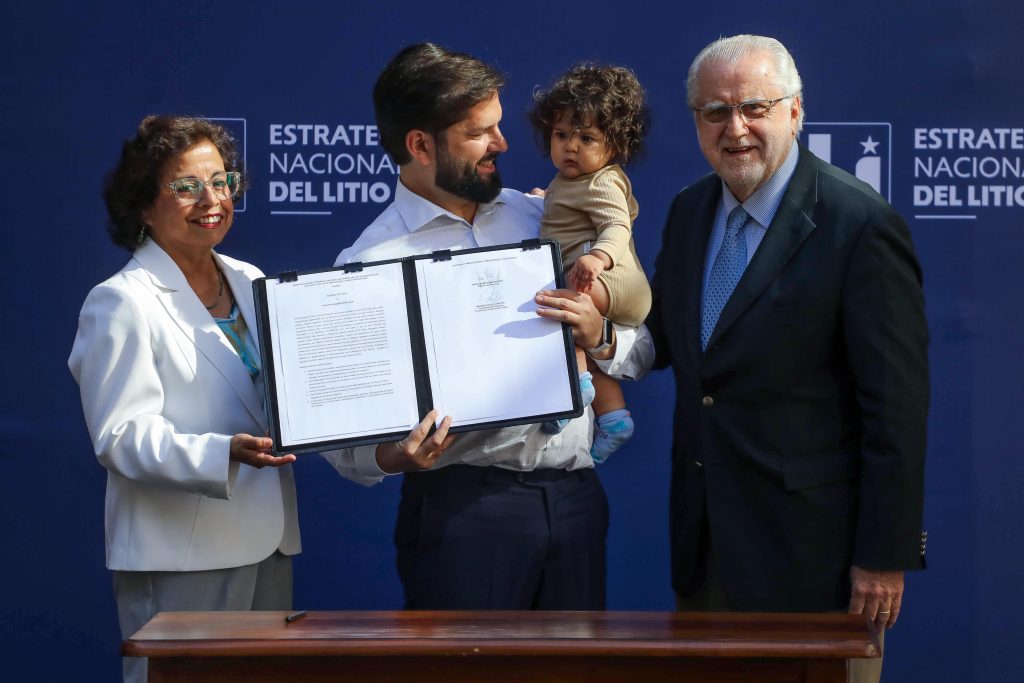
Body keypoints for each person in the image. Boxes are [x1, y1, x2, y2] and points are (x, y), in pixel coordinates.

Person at [591, 35, 929, 682]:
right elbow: (666, 334)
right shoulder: (691, 210)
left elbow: (897, 409)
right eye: (715, 111)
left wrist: (884, 553)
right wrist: (598, 333)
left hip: (815, 566)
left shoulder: (859, 224)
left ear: (795, 112)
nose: (736, 128)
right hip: (705, 551)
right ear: (695, 122)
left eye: (755, 107)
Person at [323, 43, 624, 610]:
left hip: (577, 499)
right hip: (465, 514)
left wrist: (601, 336)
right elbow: (344, 439)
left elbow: (640, 341)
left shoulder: (544, 216)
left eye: (499, 127)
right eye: (480, 132)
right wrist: (393, 457)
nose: (503, 145)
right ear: (420, 145)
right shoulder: (369, 264)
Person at [68, 116, 301, 683]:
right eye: (186, 186)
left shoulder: (251, 280)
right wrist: (219, 452)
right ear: (144, 205)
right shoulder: (121, 301)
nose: (211, 199)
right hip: (182, 555)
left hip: (268, 544)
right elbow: (120, 436)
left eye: (220, 181)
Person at [528, 63, 652, 464]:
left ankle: (575, 388)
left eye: (586, 138)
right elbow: (568, 210)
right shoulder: (570, 182)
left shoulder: (602, 181)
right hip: (607, 284)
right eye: (561, 135)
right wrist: (544, 201)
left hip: (615, 280)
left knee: (555, 304)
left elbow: (617, 226)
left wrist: (598, 257)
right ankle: (614, 419)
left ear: (613, 146)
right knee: (576, 326)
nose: (570, 147)